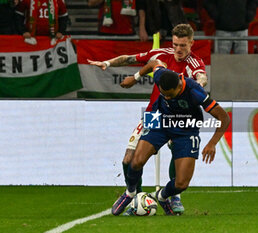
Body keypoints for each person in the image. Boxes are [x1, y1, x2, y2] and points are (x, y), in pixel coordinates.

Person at [87, 24, 208, 214]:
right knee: (129, 159)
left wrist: (196, 86)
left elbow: (201, 78)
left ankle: (173, 196)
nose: (178, 49)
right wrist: (108, 63)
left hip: (179, 118)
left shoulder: (194, 63)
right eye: (176, 44)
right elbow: (131, 58)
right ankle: (135, 197)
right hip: (154, 115)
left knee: (177, 152)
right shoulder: (161, 55)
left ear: (191, 43)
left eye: (183, 45)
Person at [111, 59, 230, 216]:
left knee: (182, 183)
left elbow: (224, 118)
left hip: (186, 130)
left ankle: (162, 196)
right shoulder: (161, 76)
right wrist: (135, 77)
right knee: (136, 160)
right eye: (163, 94)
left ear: (179, 86)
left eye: (170, 95)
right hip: (159, 121)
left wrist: (212, 143)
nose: (166, 97)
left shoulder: (195, 91)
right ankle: (130, 193)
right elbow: (154, 63)